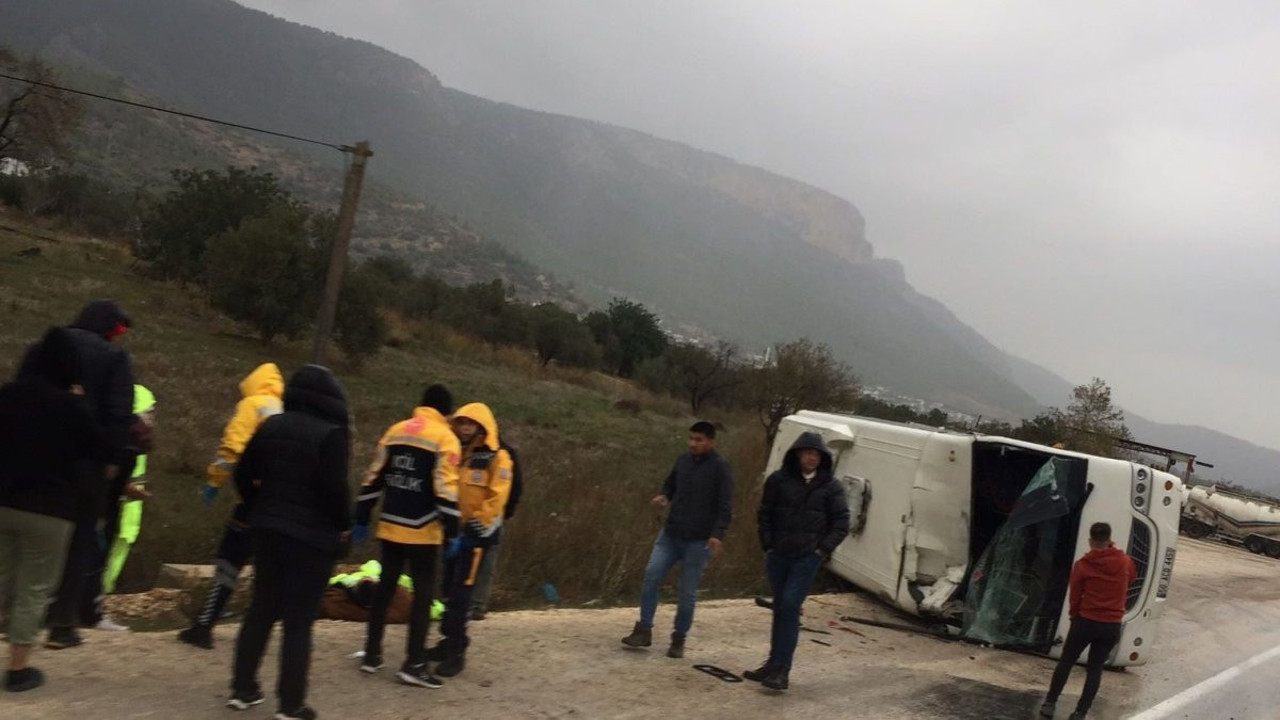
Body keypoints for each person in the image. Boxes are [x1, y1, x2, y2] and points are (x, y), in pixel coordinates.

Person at [228, 365, 351, 720]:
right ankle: (291, 703)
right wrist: (343, 525)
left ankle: (242, 688)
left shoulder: (271, 426)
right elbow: (335, 491)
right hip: (311, 537)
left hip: (267, 530)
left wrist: (258, 504)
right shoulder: (331, 434)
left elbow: (242, 472)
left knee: (262, 608)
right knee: (298, 620)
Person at [30, 301, 138, 647]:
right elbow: (120, 414)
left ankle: (19, 615)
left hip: (40, 460)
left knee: (30, 536)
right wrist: (113, 460)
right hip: (87, 465)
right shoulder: (114, 358)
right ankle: (62, 623)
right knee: (80, 540)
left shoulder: (45, 348)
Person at [0, 328, 102, 692]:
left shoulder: (7, 396)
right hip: (50, 510)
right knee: (34, 588)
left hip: (3, 502)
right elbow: (97, 448)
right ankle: (17, 669)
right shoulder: (70, 408)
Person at [353, 384, 460, 688]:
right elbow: (444, 489)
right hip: (423, 531)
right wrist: (453, 532)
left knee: (385, 588)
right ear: (447, 412)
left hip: (390, 526)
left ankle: (372, 654)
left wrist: (362, 516)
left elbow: (374, 477)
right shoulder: (445, 438)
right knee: (423, 595)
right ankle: (414, 663)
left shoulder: (395, 431)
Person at [180, 363, 284, 649]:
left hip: (252, 500)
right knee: (269, 567)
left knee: (230, 560)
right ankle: (265, 631)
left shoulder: (253, 405)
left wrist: (215, 481)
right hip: (279, 503)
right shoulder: (284, 409)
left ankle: (204, 625)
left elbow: (233, 446)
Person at [744, 431, 850, 691]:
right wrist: (768, 544)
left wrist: (822, 550)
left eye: (817, 454)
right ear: (798, 454)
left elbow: (841, 522)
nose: (812, 458)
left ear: (822, 458)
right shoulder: (778, 480)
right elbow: (765, 513)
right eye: (808, 452)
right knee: (780, 608)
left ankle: (783, 670)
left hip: (807, 558)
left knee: (791, 606)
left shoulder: (831, 487)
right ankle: (772, 663)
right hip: (779, 555)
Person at [621, 421, 732, 659]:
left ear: (710, 441)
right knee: (651, 576)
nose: (693, 443)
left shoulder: (720, 468)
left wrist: (717, 534)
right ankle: (644, 630)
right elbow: (670, 485)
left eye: (698, 440)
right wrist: (664, 496)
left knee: (686, 593)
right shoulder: (682, 461)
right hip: (671, 535)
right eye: (691, 438)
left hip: (698, 541)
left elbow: (725, 505)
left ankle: (679, 638)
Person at [429, 402, 514, 677]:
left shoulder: (498, 457)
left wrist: (475, 528)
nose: (465, 428)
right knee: (447, 590)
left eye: (471, 424)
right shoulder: (458, 453)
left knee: (461, 596)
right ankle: (449, 641)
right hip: (453, 534)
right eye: (461, 422)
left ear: (482, 427)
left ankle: (456, 653)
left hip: (476, 538)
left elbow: (497, 498)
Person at [1039, 522, 1137, 720]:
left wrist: (1074, 617)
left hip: (1085, 621)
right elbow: (1132, 579)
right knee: (1095, 669)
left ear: (1091, 541)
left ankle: (1050, 703)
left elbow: (1075, 595)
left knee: (1066, 662)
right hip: (1111, 625)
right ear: (1109, 539)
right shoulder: (1125, 562)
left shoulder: (1083, 565)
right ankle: (1080, 712)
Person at [103, 384, 156, 594]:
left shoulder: (140, 440)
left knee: (116, 557)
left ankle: (103, 596)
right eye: (148, 412)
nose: (152, 418)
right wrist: (125, 488)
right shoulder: (121, 438)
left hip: (129, 512)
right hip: (115, 507)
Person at [468, 438, 522, 622]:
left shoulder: (503, 452)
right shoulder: (464, 446)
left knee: (486, 560)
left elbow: (515, 484)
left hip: (492, 515)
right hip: (469, 514)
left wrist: (507, 510)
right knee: (479, 563)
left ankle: (476, 605)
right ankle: (472, 604)